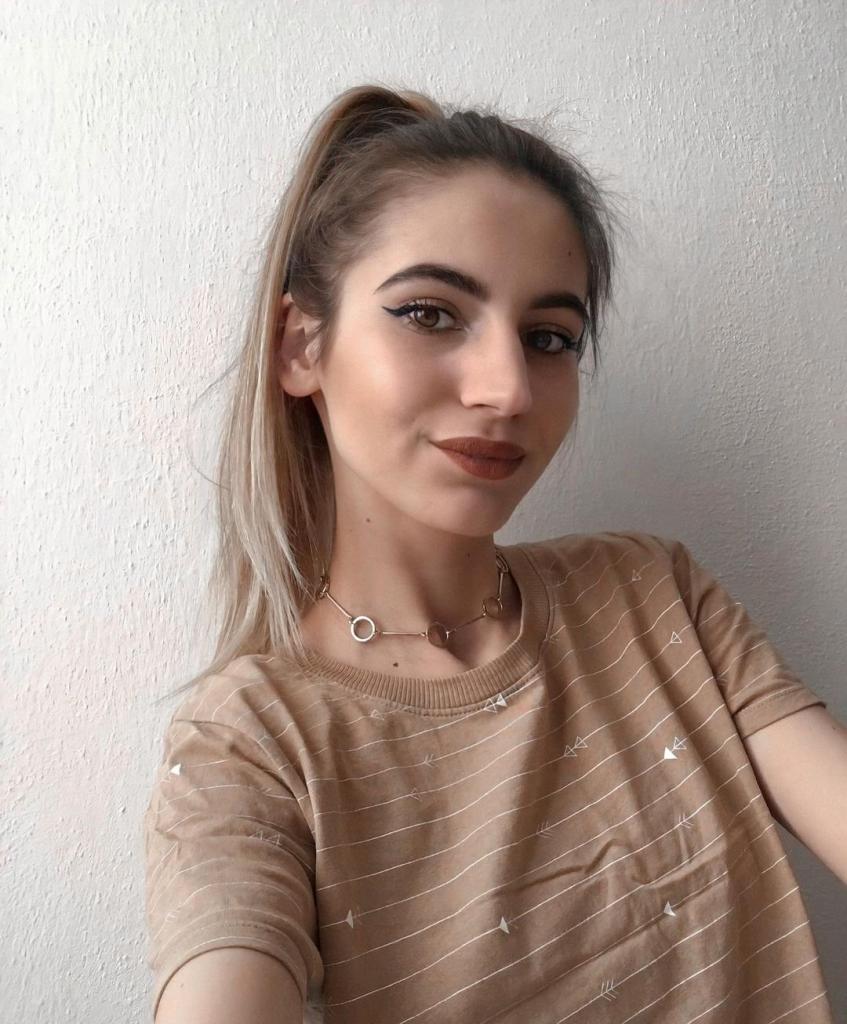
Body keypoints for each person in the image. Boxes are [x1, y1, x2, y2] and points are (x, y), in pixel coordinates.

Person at [143, 84, 844, 1023]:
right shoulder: (254, 742)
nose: (507, 388)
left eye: (548, 337)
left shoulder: (652, 594)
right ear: (300, 346)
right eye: (430, 314)